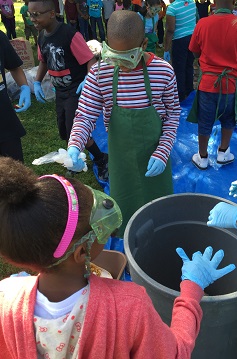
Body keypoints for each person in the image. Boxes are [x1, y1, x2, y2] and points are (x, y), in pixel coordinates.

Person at [0, 157, 235, 358]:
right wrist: (192, 288)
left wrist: (18, 285)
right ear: (82, 253)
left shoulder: (6, 297)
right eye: (98, 223)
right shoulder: (129, 306)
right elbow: (175, 352)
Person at [67, 10, 181, 235]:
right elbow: (85, 115)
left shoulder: (163, 72)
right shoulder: (100, 74)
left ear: (144, 44)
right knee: (126, 210)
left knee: (160, 211)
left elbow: (172, 115)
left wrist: (163, 151)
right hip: (121, 159)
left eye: (127, 56)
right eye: (114, 55)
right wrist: (75, 145)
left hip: (155, 152)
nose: (121, 64)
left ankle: (162, 238)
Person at [30, 0, 108, 181]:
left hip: (76, 90)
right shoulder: (42, 36)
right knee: (65, 130)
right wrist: (37, 82)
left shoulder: (69, 35)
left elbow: (90, 60)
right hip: (61, 92)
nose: (33, 18)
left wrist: (88, 79)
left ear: (51, 13)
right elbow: (43, 61)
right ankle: (74, 157)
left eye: (37, 14)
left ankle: (101, 158)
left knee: (76, 128)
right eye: (30, 15)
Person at [188, 0, 237, 170]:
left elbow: (194, 50)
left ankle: (202, 156)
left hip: (208, 84)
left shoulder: (203, 23)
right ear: (233, 2)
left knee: (205, 120)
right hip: (230, 83)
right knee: (229, 118)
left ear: (214, 2)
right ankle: (223, 152)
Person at [0, 30, 31, 162]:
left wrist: (24, 87)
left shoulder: (0, 37)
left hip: (4, 118)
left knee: (16, 170)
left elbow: (14, 67)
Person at [164, 0, 196, 102]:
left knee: (179, 69)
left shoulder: (172, 8)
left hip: (179, 40)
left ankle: (180, 96)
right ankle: (189, 91)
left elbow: (170, 30)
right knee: (189, 65)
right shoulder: (192, 3)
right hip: (192, 38)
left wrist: (166, 48)